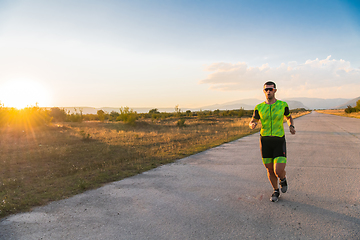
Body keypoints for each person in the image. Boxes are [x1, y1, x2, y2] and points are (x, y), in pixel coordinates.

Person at [249, 81, 296, 202]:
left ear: (275, 90)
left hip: (279, 140)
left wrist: (291, 125)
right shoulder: (259, 107)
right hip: (265, 141)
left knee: (278, 170)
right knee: (269, 169)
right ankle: (275, 190)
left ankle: (283, 178)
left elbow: (289, 116)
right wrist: (252, 124)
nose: (268, 91)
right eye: (266, 90)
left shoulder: (282, 105)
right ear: (264, 91)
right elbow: (253, 120)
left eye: (270, 89)